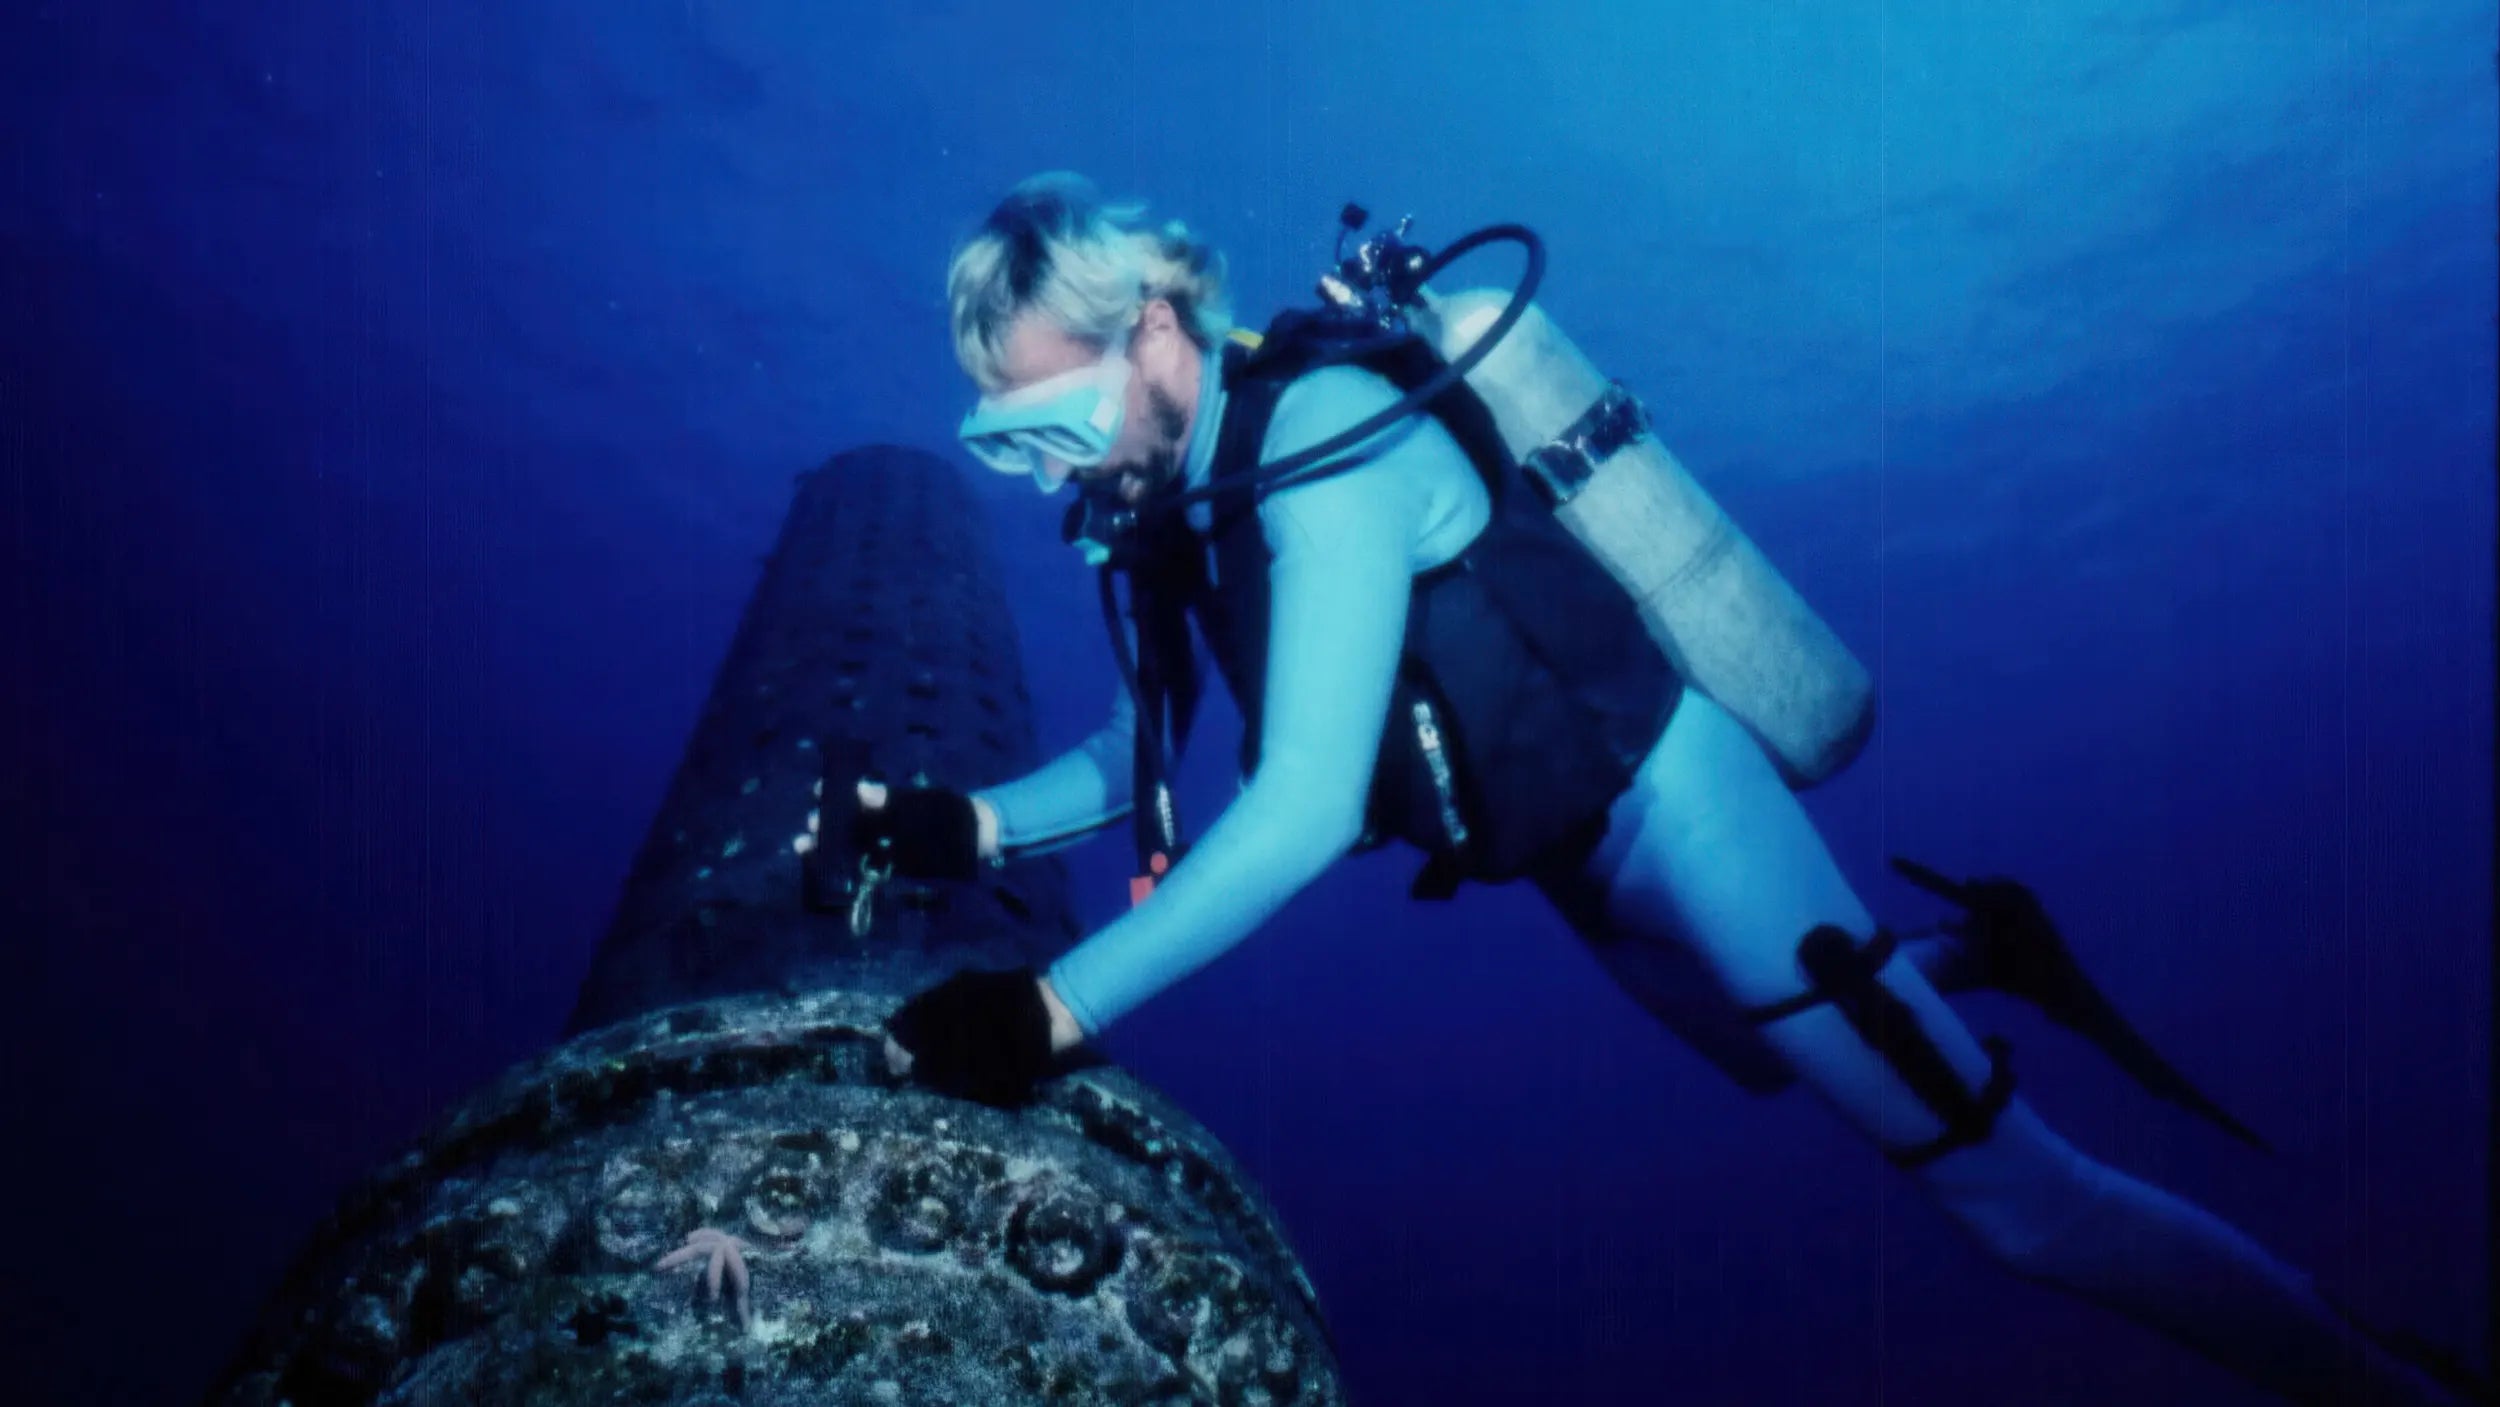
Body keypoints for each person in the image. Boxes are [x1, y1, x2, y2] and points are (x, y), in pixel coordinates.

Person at [855, 172, 2476, 1406]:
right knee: (1763, 1061)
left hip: (1677, 805)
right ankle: (1984, 956)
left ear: (1152, 328)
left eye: (1051, 423)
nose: (1048, 473)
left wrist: (1046, 1013)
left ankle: (2388, 1381)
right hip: (1575, 855)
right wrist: (975, 822)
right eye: (1004, 448)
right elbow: (1138, 761)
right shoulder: (1175, 510)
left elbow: (1288, 813)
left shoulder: (1326, 439)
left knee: (2022, 1210)